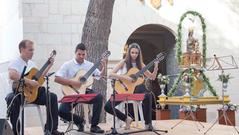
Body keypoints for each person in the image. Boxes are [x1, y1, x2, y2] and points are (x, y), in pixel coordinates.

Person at [5, 39, 64, 135]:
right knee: (11, 99)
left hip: (33, 94)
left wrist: (49, 65)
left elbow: (39, 79)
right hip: (18, 93)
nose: (32, 52)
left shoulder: (32, 64)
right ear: (22, 49)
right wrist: (29, 82)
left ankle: (51, 129)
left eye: (33, 50)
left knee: (52, 97)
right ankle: (16, 132)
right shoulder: (15, 62)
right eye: (30, 50)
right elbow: (12, 75)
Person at [104, 43, 159, 130]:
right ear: (129, 52)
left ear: (139, 54)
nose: (134, 55)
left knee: (148, 95)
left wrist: (156, 66)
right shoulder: (124, 62)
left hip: (136, 89)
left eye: (136, 53)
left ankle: (148, 124)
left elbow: (152, 77)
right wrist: (125, 77)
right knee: (107, 106)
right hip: (123, 88)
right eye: (132, 52)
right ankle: (126, 119)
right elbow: (111, 74)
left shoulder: (141, 64)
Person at [54, 43, 105, 133]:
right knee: (61, 111)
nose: (81, 56)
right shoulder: (68, 65)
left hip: (85, 91)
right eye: (79, 54)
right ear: (75, 53)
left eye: (83, 54)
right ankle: (79, 121)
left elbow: (99, 76)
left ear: (86, 54)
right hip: (72, 92)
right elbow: (57, 78)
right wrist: (73, 82)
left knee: (99, 97)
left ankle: (94, 126)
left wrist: (104, 68)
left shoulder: (90, 65)